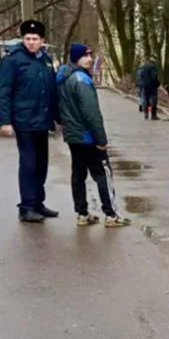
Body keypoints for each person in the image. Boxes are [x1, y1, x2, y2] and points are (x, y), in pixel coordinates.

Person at [57, 43, 131, 228]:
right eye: (85, 56)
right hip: (87, 135)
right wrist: (101, 139)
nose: (89, 59)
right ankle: (111, 214)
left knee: (78, 174)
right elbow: (91, 113)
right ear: (76, 58)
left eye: (90, 55)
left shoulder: (63, 78)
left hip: (72, 135)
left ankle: (82, 214)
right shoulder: (81, 80)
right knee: (103, 173)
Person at [0, 20, 59, 223]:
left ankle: (38, 202)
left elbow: (52, 92)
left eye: (35, 39)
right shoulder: (13, 60)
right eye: (28, 39)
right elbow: (3, 91)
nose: (31, 42)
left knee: (41, 164)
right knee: (28, 164)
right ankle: (27, 206)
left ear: (42, 40)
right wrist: (4, 121)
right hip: (24, 120)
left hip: (42, 121)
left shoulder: (45, 61)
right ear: (23, 39)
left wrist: (58, 118)